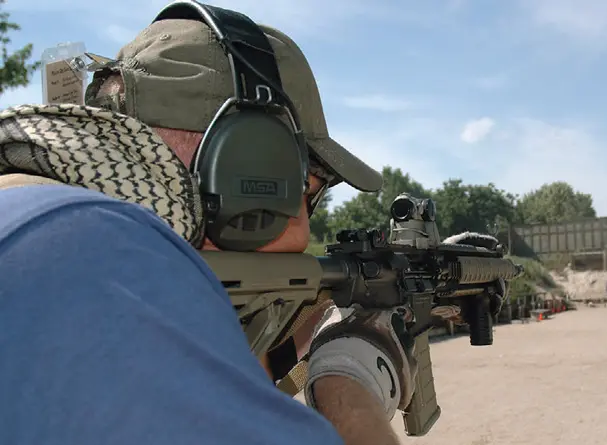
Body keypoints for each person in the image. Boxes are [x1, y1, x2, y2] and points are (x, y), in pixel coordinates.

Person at [0, 11, 415, 445]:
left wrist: (296, 337)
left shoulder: (46, 226)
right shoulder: (90, 255)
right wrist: (349, 373)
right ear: (246, 167)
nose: (303, 228)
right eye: (305, 188)